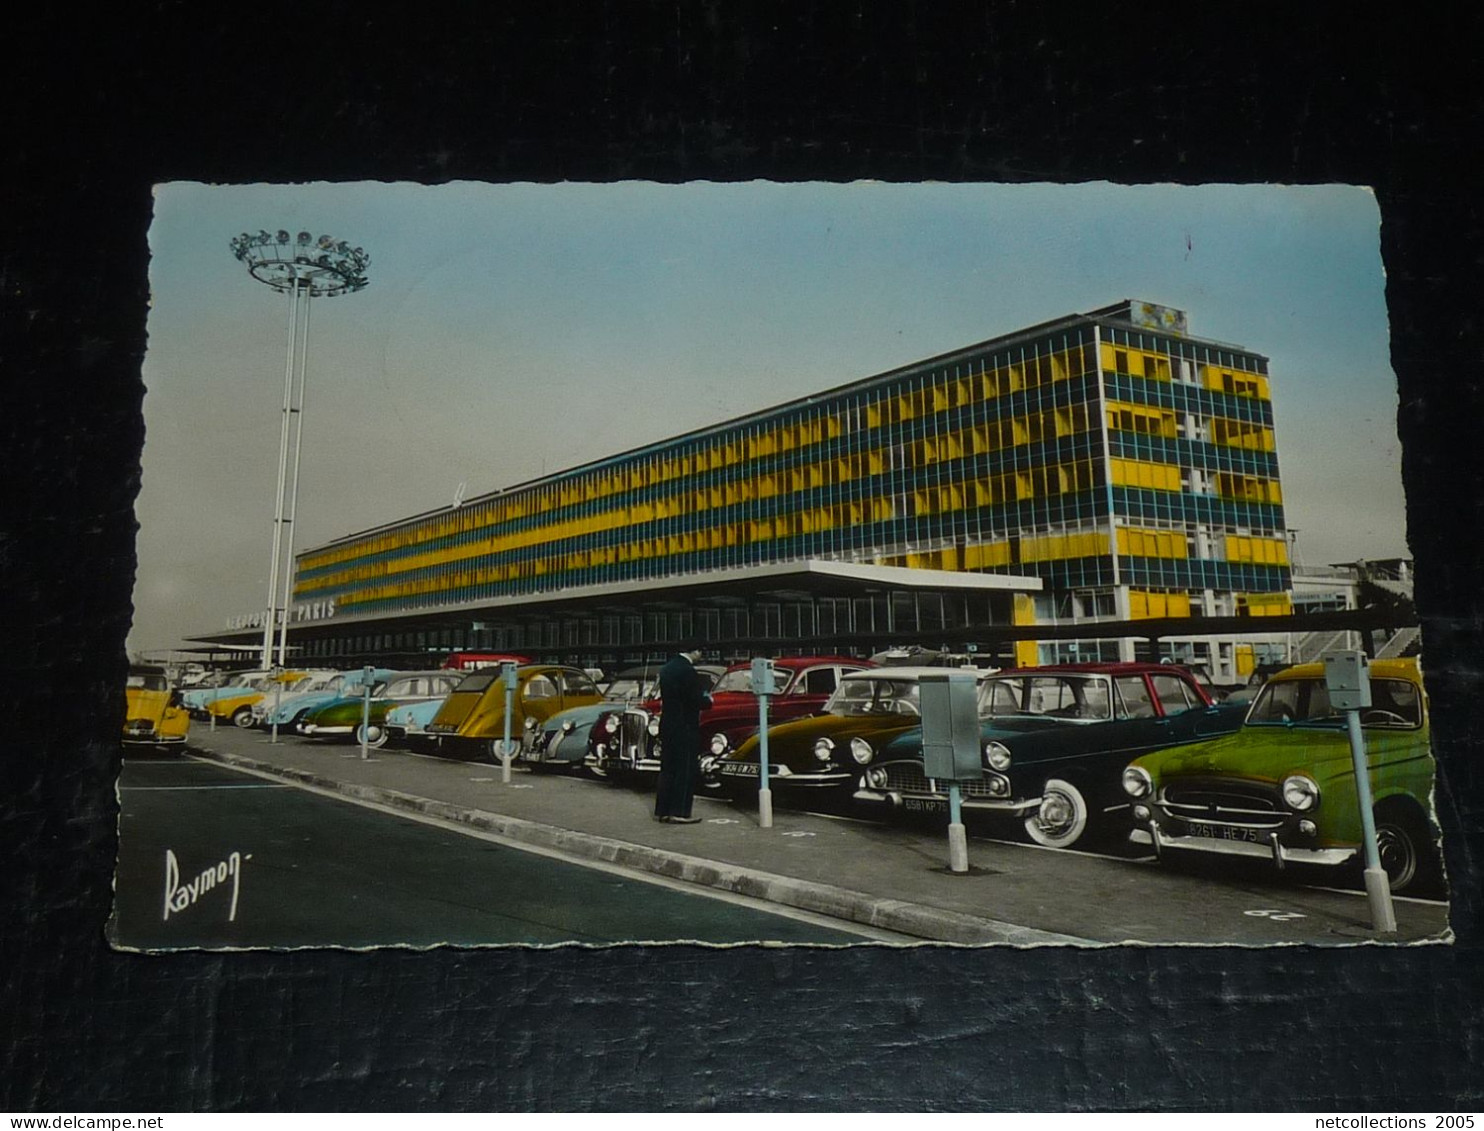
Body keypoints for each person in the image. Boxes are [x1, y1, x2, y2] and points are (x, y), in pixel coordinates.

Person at [653, 643, 713, 823]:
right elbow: (695, 699)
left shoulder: (667, 669)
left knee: (668, 769)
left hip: (668, 724)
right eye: (700, 652)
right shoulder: (688, 671)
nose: (700, 656)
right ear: (694, 651)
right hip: (685, 725)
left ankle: (663, 810)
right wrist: (707, 699)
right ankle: (680, 812)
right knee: (685, 769)